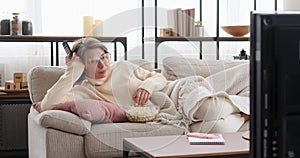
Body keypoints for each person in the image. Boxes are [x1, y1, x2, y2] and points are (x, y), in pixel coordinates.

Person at [39, 37, 167, 112]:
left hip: (172, 91)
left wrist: (148, 85)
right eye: (93, 61)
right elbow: (47, 105)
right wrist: (71, 71)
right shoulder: (84, 90)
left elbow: (160, 77)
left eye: (104, 57)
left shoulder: (123, 67)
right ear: (82, 65)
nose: (102, 64)